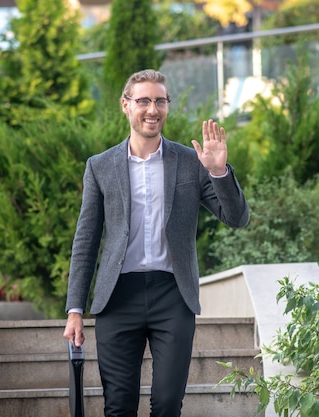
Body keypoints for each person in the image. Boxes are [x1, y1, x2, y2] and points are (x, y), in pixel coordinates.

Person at [63, 69, 249, 417]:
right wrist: (75, 308)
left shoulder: (191, 162)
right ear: (126, 105)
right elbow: (86, 240)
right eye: (144, 100)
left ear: (167, 106)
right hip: (117, 298)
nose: (153, 109)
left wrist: (219, 171)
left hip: (172, 296)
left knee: (166, 404)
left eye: (160, 101)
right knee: (118, 407)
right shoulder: (100, 167)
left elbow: (236, 218)